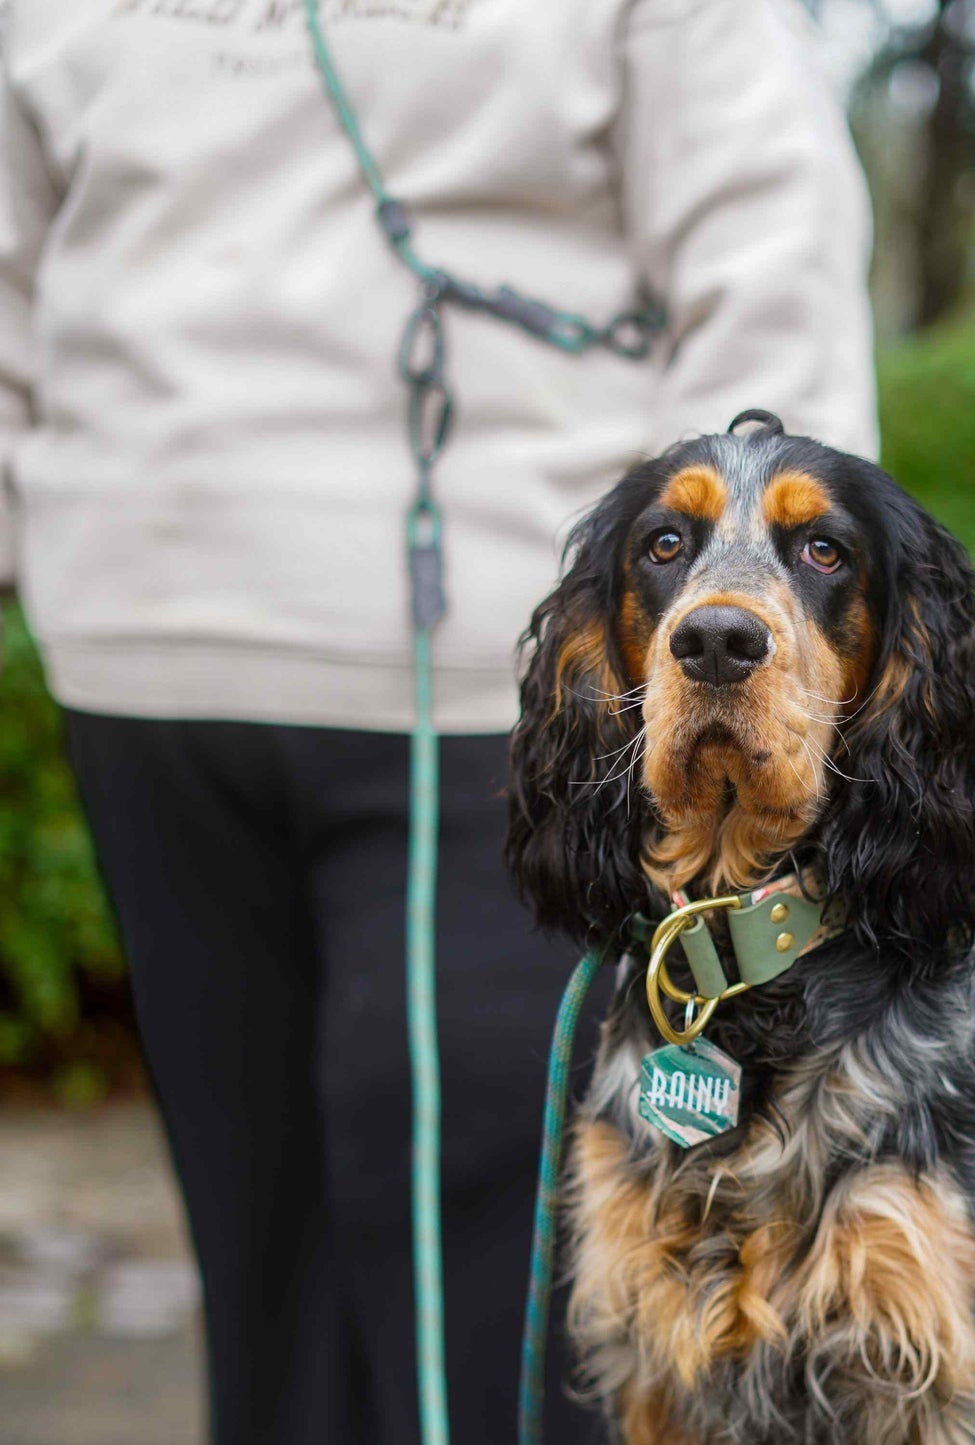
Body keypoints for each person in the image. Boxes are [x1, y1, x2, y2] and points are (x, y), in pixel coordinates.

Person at [0, 0, 876, 1440]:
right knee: (263, 1251)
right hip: (142, 658)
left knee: (523, 1273)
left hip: (512, 694)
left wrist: (739, 633)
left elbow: (764, 248)